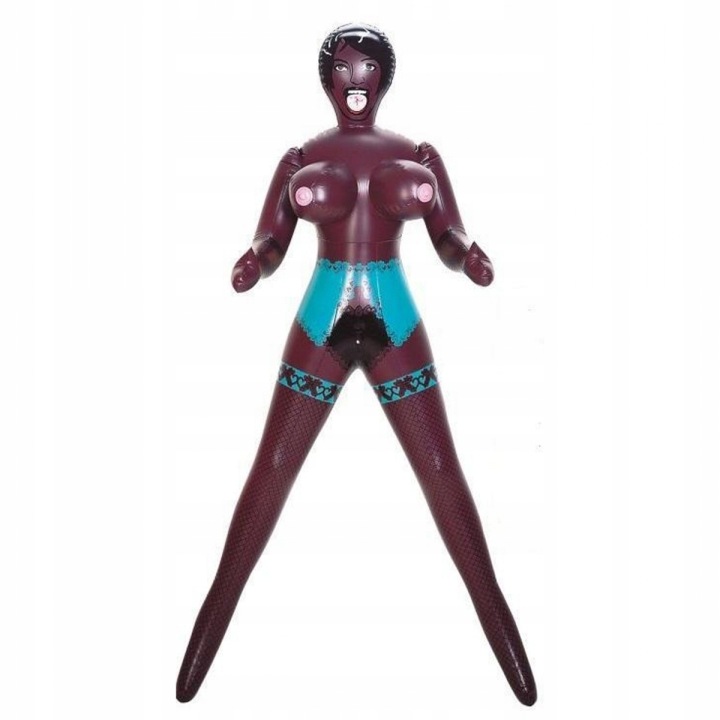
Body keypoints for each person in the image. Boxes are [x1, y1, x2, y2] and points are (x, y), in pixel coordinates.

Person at [176, 23, 536, 706]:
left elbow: (449, 236)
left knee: (441, 470)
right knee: (273, 466)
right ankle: (207, 630)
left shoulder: (416, 153)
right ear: (326, 79)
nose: (356, 80)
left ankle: (505, 634)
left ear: (385, 78)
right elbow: (272, 239)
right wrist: (254, 262)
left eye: (367, 68)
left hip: (394, 320)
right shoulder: (301, 157)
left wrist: (471, 258)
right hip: (324, 317)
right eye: (343, 68)